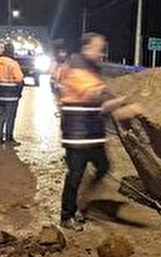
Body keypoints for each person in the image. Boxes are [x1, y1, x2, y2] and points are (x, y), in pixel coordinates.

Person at [58, 32, 141, 231]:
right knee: (75, 174)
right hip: (78, 134)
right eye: (98, 49)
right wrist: (122, 102)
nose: (102, 53)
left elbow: (101, 106)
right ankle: (67, 215)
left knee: (103, 166)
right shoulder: (78, 70)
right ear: (86, 48)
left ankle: (83, 200)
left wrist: (120, 108)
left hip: (92, 134)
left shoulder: (91, 70)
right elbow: (96, 98)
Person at [0, 42, 24, 146]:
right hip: (11, 95)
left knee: (0, 116)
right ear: (12, 51)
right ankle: (9, 139)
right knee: (10, 117)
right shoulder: (13, 63)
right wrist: (19, 92)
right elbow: (19, 79)